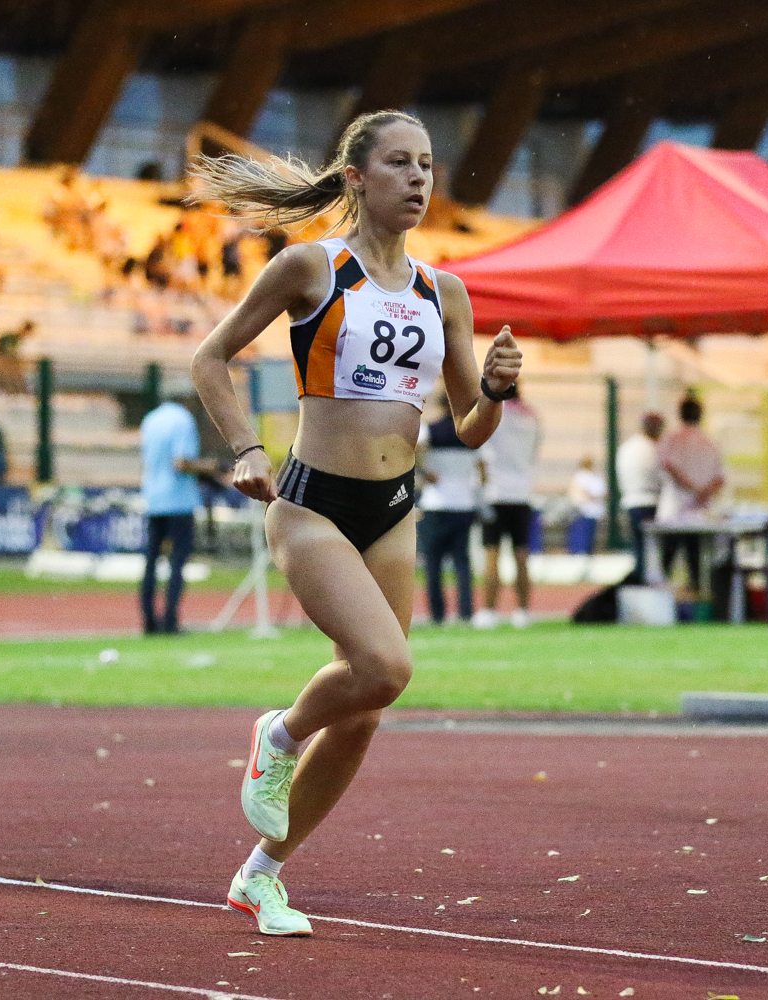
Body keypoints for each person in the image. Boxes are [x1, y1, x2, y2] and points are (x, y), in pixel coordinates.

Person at [189, 109, 521, 936]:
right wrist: (245, 448)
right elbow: (209, 358)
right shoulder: (313, 266)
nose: (418, 179)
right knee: (384, 665)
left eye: (427, 165)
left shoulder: (444, 292)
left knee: (368, 705)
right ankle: (281, 732)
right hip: (311, 504)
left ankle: (260, 876)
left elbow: (469, 426)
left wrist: (494, 390)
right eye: (400, 163)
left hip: (394, 509)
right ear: (356, 179)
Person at [138, 394, 213, 635]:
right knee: (177, 562)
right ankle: (170, 620)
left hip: (153, 498)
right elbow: (181, 462)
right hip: (179, 500)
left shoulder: (150, 419)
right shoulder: (183, 419)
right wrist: (212, 467)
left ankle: (148, 621)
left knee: (151, 561)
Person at [472, 383, 541, 628]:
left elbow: (480, 453)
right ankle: (523, 611)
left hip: (495, 492)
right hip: (522, 493)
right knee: (522, 556)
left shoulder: (493, 415)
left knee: (492, 556)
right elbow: (533, 453)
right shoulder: (532, 417)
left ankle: (489, 611)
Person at [417, 395, 480, 625]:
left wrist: (425, 473)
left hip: (436, 503)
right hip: (464, 503)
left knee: (433, 563)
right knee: (462, 563)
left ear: (442, 406)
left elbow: (414, 452)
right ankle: (466, 612)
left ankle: (437, 614)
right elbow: (482, 467)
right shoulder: (471, 434)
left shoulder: (430, 430)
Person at [656, 394, 724, 591]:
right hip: (702, 508)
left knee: (667, 556)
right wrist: (703, 492)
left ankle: (662, 595)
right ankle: (697, 592)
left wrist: (692, 488)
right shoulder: (710, 442)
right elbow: (720, 478)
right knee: (696, 556)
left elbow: (669, 466)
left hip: (675, 506)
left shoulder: (671, 439)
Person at [616, 412, 664, 580]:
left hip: (631, 501)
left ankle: (639, 579)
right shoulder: (652, 448)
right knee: (650, 550)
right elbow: (660, 476)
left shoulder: (627, 447)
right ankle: (644, 582)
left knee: (639, 547)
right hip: (650, 502)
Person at [565, 455, 606, 555]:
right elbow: (583, 491)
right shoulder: (581, 476)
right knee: (582, 531)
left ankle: (587, 550)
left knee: (589, 532)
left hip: (591, 509)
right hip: (583, 509)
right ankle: (581, 550)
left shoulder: (593, 476)